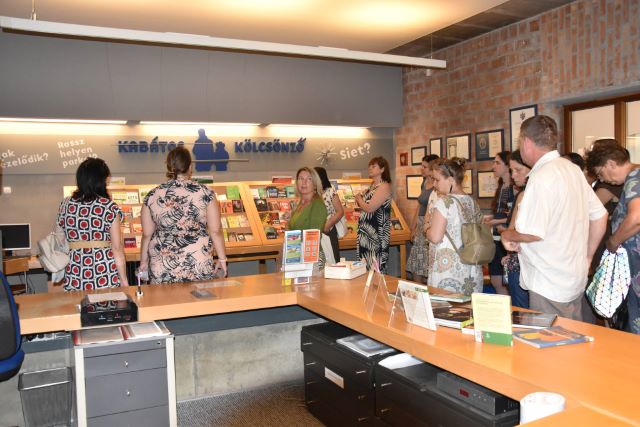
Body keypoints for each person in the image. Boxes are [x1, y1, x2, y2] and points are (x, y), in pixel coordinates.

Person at [501, 115, 607, 321]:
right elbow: (600, 216)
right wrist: (587, 257)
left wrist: (507, 234)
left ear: (526, 142)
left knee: (550, 340)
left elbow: (532, 233)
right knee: (572, 338)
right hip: (573, 277)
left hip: (548, 282)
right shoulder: (571, 169)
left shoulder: (542, 176)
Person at [139, 147, 227, 283]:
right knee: (199, 296)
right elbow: (215, 231)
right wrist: (222, 258)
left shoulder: (152, 195)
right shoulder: (206, 193)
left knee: (163, 296)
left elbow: (146, 235)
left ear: (169, 167)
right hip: (198, 260)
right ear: (190, 167)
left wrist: (143, 262)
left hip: (162, 263)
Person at [585, 140, 640, 334]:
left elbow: (636, 218)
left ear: (610, 163)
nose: (604, 180)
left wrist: (613, 241)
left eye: (600, 173)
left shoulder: (635, 176)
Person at [56, 158, 128, 291]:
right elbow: (117, 248)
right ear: (100, 181)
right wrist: (123, 279)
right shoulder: (108, 207)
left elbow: (59, 240)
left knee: (77, 303)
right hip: (103, 270)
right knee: (106, 302)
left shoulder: (65, 204)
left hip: (75, 269)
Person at [426, 158, 483, 295]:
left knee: (445, 306)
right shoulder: (471, 201)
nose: (434, 184)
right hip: (471, 268)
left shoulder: (443, 202)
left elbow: (435, 237)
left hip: (448, 268)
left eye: (437, 180)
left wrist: (426, 227)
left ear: (451, 180)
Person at [501, 150, 530, 308]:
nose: (513, 175)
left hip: (522, 263)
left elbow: (511, 230)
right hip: (521, 261)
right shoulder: (522, 194)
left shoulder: (524, 195)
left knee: (522, 312)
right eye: (512, 170)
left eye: (518, 170)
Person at [482, 151, 513, 295]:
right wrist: (492, 217)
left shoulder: (515, 188)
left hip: (507, 240)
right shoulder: (501, 187)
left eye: (497, 163)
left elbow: (515, 216)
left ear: (508, 166)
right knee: (495, 280)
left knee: (505, 282)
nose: (493, 166)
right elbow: (503, 212)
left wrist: (497, 220)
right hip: (496, 238)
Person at [406, 154, 439, 283]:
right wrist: (413, 227)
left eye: (424, 167)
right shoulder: (424, 182)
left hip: (429, 224)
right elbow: (419, 205)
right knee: (417, 262)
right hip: (421, 223)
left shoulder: (437, 186)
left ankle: (427, 289)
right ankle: (418, 290)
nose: (422, 169)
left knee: (425, 261)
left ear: (432, 168)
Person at [356, 156, 392, 273]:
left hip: (376, 233)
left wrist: (359, 200)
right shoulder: (372, 186)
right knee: (366, 267)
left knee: (376, 267)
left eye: (373, 166)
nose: (370, 168)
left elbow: (370, 208)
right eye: (369, 166)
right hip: (366, 234)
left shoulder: (384, 186)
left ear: (382, 169)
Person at [288, 167, 328, 265]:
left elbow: (313, 237)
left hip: (311, 258)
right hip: (296, 254)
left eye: (309, 179)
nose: (304, 182)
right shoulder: (300, 204)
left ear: (315, 184)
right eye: (301, 178)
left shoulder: (317, 205)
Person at [314, 167, 344, 263]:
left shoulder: (330, 191)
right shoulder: (311, 193)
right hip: (313, 231)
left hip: (328, 230)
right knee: (317, 261)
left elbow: (340, 211)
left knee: (332, 259)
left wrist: (328, 225)